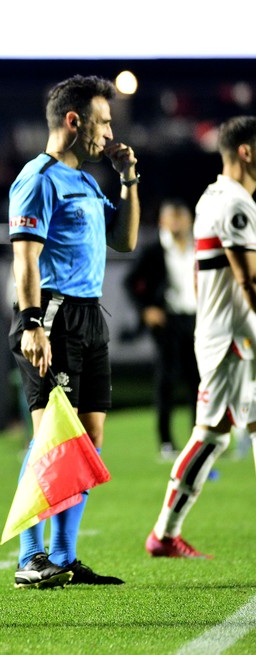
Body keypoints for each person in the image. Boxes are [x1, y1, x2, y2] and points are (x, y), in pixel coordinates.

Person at [8, 74, 139, 588]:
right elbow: (25, 257)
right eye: (103, 122)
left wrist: (127, 180)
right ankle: (30, 556)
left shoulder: (85, 180)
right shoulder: (37, 177)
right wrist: (30, 323)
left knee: (89, 441)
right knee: (51, 440)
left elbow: (124, 240)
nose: (108, 134)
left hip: (91, 316)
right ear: (73, 120)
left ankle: (62, 556)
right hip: (54, 317)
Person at [145, 116, 256, 559]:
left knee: (220, 433)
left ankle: (165, 534)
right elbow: (249, 281)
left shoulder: (215, 196)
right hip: (232, 336)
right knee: (212, 433)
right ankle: (164, 534)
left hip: (225, 331)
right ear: (246, 151)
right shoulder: (235, 203)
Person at [123, 199, 199, 460]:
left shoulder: (198, 247)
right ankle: (166, 441)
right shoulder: (154, 250)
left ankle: (198, 440)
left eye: (181, 216)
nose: (177, 221)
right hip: (169, 322)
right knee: (166, 381)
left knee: (198, 382)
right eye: (172, 216)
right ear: (162, 222)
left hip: (196, 319)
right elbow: (130, 282)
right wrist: (146, 309)